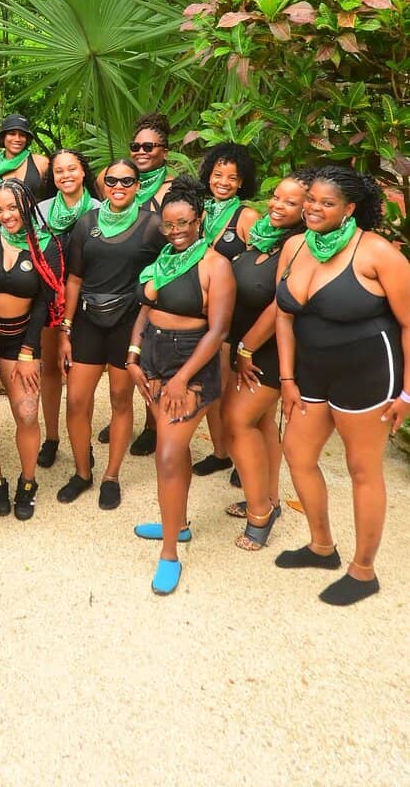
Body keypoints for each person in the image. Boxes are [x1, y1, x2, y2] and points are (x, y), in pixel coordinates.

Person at [274, 165, 410, 605]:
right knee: (297, 454)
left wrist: (408, 393)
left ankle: (364, 570)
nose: (313, 208)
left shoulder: (377, 252)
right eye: (310, 199)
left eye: (325, 203)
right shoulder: (294, 246)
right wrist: (288, 377)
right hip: (310, 371)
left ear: (349, 208)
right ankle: (321, 546)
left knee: (362, 468)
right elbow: (284, 314)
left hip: (367, 370)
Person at [128, 177, 235, 595]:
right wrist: (133, 354)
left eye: (183, 223)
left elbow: (218, 330)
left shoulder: (214, 265)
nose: (175, 232)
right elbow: (145, 308)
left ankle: (170, 551)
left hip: (188, 361)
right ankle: (180, 523)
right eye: (168, 225)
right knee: (171, 450)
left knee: (169, 453)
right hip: (153, 355)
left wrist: (181, 378)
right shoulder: (164, 258)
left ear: (200, 219)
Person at [57, 159, 164, 509]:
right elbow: (74, 279)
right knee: (76, 400)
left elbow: (164, 274)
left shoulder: (152, 225)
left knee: (121, 399)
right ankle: (83, 472)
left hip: (128, 323)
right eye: (112, 180)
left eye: (127, 180)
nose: (119, 186)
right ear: (102, 185)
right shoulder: (86, 223)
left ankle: (111, 476)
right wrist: (65, 329)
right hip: (87, 318)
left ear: (137, 185)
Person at [220, 170, 311, 550]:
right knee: (260, 423)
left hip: (269, 351)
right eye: (276, 196)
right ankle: (269, 499)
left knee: (235, 420)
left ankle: (260, 513)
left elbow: (281, 307)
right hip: (246, 346)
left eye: (290, 202)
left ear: (307, 210)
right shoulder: (262, 237)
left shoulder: (299, 246)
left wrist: (245, 349)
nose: (277, 205)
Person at [0, 179, 65, 521]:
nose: (7, 215)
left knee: (26, 413)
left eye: (13, 207)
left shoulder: (46, 245)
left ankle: (28, 482)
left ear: (27, 205)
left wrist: (29, 350)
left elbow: (44, 301)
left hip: (21, 338)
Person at [99, 112, 173, 454]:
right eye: (136, 146)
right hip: (117, 281)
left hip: (154, 283)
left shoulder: (171, 187)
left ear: (165, 151)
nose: (141, 152)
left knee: (148, 359)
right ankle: (120, 417)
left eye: (149, 146)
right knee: (119, 361)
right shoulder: (117, 178)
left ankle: (151, 425)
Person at [193, 142, 261, 477]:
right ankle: (221, 452)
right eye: (218, 174)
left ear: (241, 182)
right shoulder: (200, 211)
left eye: (232, 177)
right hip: (203, 314)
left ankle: (243, 453)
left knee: (239, 391)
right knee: (212, 388)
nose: (223, 181)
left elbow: (261, 267)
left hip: (238, 317)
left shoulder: (247, 216)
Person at [36, 149, 101, 468]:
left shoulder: (102, 210)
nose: (66, 175)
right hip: (51, 299)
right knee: (49, 369)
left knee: (78, 378)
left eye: (72, 168)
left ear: (83, 171)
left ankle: (82, 440)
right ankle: (51, 437)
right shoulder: (41, 210)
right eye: (59, 171)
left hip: (89, 301)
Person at [0, 114, 49, 199]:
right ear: (3, 137)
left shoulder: (41, 162)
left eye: (22, 135)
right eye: (12, 134)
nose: (17, 139)